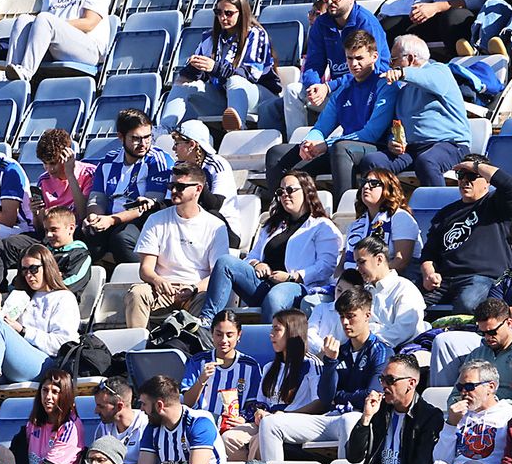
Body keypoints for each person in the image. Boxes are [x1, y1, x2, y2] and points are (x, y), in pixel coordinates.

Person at [258, 286, 392, 462]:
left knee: (349, 420)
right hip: (331, 418)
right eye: (342, 316)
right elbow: (326, 398)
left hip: (361, 419)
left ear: (367, 316)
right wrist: (330, 361)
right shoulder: (340, 351)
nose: (345, 322)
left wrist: (340, 396)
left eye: (351, 316)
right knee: (269, 423)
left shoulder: (381, 351)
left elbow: (371, 396)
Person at [264, 29, 395, 198]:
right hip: (343, 150)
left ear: (374, 57)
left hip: (376, 148)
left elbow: (371, 133)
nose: (354, 64)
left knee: (341, 148)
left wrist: (326, 145)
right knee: (276, 153)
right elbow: (321, 127)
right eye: (350, 58)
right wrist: (309, 142)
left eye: (359, 58)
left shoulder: (384, 85)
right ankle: (279, 208)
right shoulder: (343, 90)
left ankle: (344, 208)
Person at [202, 170, 342, 326]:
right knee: (225, 262)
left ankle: (269, 339)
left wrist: (292, 277)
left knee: (275, 297)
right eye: (281, 191)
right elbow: (251, 256)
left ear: (306, 191)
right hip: (264, 284)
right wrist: (257, 264)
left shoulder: (321, 226)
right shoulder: (272, 225)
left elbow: (326, 266)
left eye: (290, 190)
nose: (285, 195)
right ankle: (207, 322)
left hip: (299, 286)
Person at [0, 246, 80, 402]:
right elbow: (1, 333)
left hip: (45, 363)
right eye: (24, 270)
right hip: (10, 363)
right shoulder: (21, 296)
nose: (29, 275)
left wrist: (23, 331)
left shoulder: (64, 297)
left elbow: (62, 344)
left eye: (33, 269)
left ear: (47, 266)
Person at [328, 353, 442, 464]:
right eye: (382, 379)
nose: (384, 385)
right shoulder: (380, 411)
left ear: (411, 383)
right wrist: (366, 418)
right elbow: (354, 456)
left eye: (390, 380)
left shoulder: (429, 416)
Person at [345, 35, 470, 188]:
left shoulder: (439, 70)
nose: (390, 65)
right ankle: (386, 203)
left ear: (410, 59)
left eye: (393, 60)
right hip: (411, 149)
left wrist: (402, 73)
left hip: (449, 145)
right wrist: (393, 141)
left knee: (427, 162)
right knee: (372, 162)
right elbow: (397, 124)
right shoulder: (403, 89)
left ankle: (437, 202)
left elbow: (434, 82)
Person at [160, 0, 282, 132]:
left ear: (242, 13)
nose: (223, 17)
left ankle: (237, 128)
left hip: (258, 96)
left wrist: (215, 67)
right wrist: (193, 67)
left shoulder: (256, 34)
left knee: (235, 80)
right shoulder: (210, 38)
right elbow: (199, 75)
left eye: (228, 13)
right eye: (218, 12)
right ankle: (164, 129)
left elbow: (251, 74)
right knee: (184, 83)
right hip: (223, 97)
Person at [282, 0, 390, 137]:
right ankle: (298, 143)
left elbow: (373, 69)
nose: (330, 1)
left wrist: (328, 87)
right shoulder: (321, 23)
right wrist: (314, 86)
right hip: (334, 90)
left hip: (365, 91)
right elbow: (313, 63)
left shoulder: (366, 22)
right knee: (292, 90)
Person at [125, 163, 226, 329]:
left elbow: (217, 274)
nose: (173, 191)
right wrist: (158, 280)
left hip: (196, 291)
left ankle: (195, 342)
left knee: (207, 299)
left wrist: (193, 288)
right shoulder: (155, 219)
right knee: (137, 293)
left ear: (198, 189)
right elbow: (145, 269)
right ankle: (137, 342)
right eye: (171, 185)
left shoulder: (215, 226)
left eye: (180, 187)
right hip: (161, 290)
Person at [420, 154, 512, 316]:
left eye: (473, 176)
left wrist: (475, 166)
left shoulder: (498, 204)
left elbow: (510, 185)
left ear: (487, 181)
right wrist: (428, 273)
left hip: (484, 278)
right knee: (407, 303)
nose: (465, 181)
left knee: (467, 303)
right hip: (444, 280)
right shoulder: (445, 213)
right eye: (461, 175)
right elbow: (429, 253)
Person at [416, 361, 512, 464]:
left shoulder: (509, 415)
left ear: (490, 387)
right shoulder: (458, 415)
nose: (463, 392)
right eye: (460, 387)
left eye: (470, 386)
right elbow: (440, 458)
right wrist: (451, 424)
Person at [81, 108, 174, 266]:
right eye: (136, 138)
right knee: (83, 233)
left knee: (122, 239)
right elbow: (97, 198)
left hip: (142, 220)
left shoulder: (159, 160)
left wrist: (112, 220)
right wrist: (94, 217)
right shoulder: (108, 161)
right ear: (120, 137)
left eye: (147, 137)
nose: (143, 144)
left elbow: (150, 206)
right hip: (109, 219)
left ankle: (142, 277)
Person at [240, 309, 325, 461]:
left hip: (295, 423)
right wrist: (259, 411)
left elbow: (320, 403)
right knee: (229, 438)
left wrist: (286, 415)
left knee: (259, 440)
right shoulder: (269, 367)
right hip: (267, 421)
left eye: (277, 329)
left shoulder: (312, 365)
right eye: (271, 329)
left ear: (292, 331)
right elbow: (261, 403)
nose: (271, 334)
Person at [180, 311, 264, 459]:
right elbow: (186, 402)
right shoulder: (198, 361)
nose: (224, 340)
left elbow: (254, 404)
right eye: (219, 334)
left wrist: (244, 418)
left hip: (233, 427)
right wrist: (201, 380)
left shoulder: (250, 366)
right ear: (211, 334)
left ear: (239, 335)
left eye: (229, 335)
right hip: (201, 425)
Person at [339, 236, 427, 350]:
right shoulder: (362, 291)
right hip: (366, 350)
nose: (358, 269)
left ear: (379, 259)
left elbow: (404, 330)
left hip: (402, 353)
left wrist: (369, 342)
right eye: (357, 263)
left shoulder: (405, 288)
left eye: (362, 262)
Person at [12, 367, 85, 464]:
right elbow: (16, 451)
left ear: (65, 395)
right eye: (45, 390)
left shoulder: (70, 426)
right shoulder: (33, 423)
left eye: (55, 392)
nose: (48, 397)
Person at [443, 298, 512, 390]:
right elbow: (457, 391)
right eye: (482, 333)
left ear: (509, 323)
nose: (487, 337)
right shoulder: (476, 354)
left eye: (492, 332)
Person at [339, 168, 420, 277]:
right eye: (364, 182)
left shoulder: (401, 218)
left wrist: (367, 276)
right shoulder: (355, 225)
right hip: (356, 282)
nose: (366, 187)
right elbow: (342, 264)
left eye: (373, 183)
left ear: (388, 188)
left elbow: (401, 262)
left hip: (391, 282)